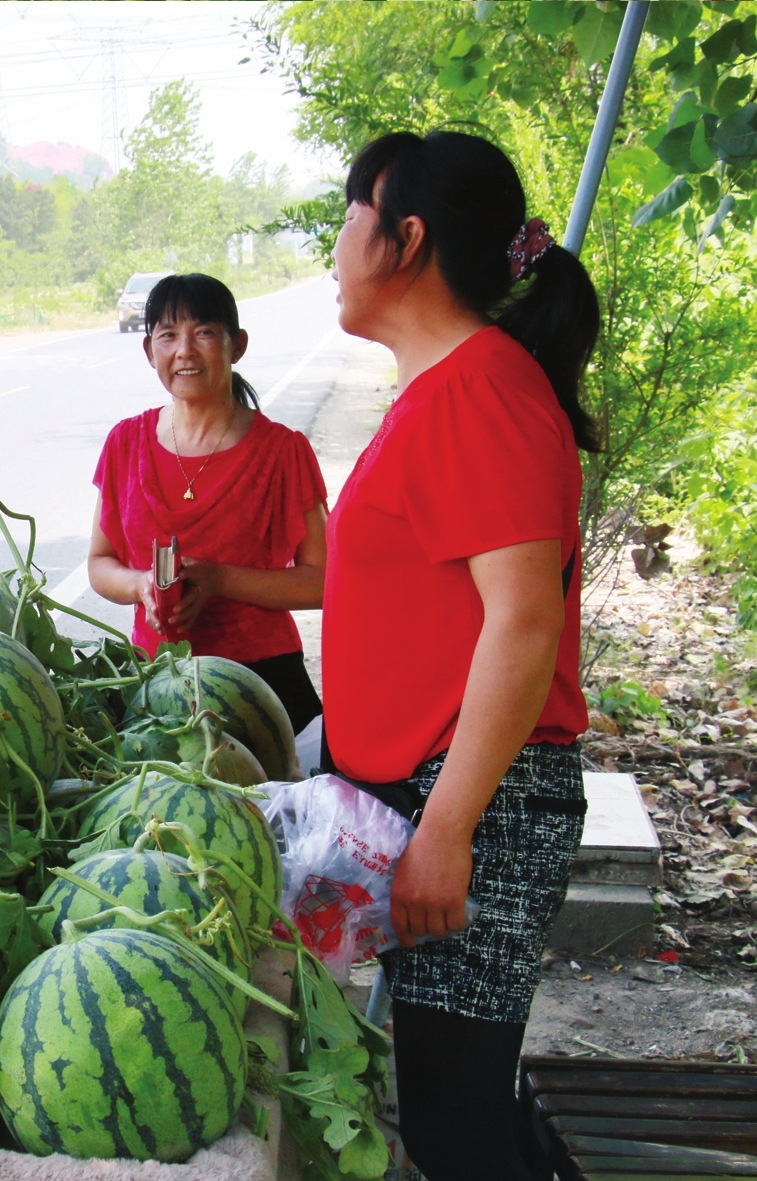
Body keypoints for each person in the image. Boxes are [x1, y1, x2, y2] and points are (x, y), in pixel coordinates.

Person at [323, 129, 601, 1181]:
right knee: (447, 1105)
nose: (334, 246)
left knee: (455, 1123)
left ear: (403, 238)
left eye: (349, 217)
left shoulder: (480, 388)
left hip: (473, 801)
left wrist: (444, 830)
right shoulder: (446, 386)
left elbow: (522, 623)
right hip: (434, 793)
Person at [86, 273, 326, 732]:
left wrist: (218, 580)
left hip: (260, 683)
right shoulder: (125, 443)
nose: (185, 351)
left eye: (204, 333)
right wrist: (141, 586)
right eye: (168, 335)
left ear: (237, 345)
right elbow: (100, 563)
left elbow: (322, 581)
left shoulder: (282, 451)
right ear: (149, 350)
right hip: (156, 682)